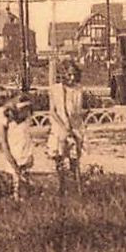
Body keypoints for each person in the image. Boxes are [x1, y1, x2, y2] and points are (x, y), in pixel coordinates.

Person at [48, 58, 87, 192]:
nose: (72, 78)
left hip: (75, 127)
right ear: (63, 74)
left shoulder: (78, 90)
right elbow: (52, 111)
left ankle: (78, 187)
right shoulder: (55, 89)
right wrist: (63, 126)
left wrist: (81, 117)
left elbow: (78, 110)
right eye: (69, 74)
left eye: (74, 75)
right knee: (59, 158)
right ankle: (61, 187)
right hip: (60, 127)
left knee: (75, 160)